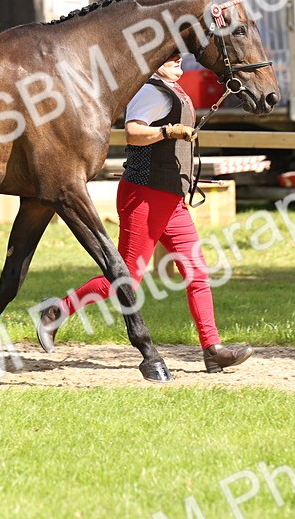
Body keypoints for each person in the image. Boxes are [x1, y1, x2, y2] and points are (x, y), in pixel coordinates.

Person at [33, 53, 253, 374]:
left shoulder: (173, 88)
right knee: (125, 280)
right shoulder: (150, 90)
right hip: (144, 197)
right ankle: (57, 311)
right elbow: (134, 133)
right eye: (170, 55)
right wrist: (168, 132)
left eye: (179, 53)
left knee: (197, 272)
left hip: (171, 199)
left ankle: (212, 349)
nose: (178, 58)